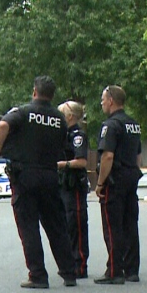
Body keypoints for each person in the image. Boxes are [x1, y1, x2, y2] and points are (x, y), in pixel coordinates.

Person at [0, 75, 77, 288]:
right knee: (56, 225)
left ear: (34, 91)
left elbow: (2, 126)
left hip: (25, 175)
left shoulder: (22, 112)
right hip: (50, 174)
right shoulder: (59, 118)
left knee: (28, 226)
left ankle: (38, 275)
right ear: (51, 95)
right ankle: (69, 273)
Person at [94, 85, 143, 285]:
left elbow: (107, 156)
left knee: (112, 225)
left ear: (111, 101)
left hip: (115, 178)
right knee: (130, 223)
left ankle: (114, 270)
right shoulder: (134, 124)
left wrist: (100, 183)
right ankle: (132, 270)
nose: (102, 103)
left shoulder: (111, 125)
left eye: (103, 99)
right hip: (131, 176)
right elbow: (138, 154)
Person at [57, 101, 90, 279]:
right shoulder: (63, 134)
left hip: (74, 185)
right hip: (63, 185)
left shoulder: (78, 135)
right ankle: (69, 263)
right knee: (65, 225)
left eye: (62, 112)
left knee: (76, 223)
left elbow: (82, 161)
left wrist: (61, 165)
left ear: (70, 116)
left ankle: (80, 264)